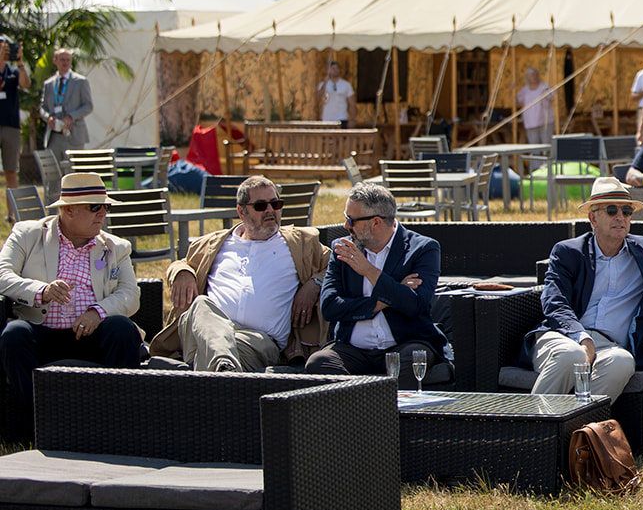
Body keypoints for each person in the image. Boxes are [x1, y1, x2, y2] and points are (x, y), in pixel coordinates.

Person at [517, 177, 643, 401]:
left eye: (627, 211)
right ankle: (535, 422)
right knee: (572, 356)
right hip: (564, 336)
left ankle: (581, 423)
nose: (620, 217)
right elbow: (554, 303)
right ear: (593, 218)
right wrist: (582, 338)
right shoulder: (568, 252)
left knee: (623, 362)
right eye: (612, 210)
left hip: (610, 347)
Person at [0, 173, 141, 421]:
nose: (103, 213)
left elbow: (130, 294)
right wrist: (40, 291)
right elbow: (3, 274)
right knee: (14, 335)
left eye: (105, 207)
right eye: (95, 207)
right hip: (41, 331)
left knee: (122, 328)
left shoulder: (116, 247)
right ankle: (36, 424)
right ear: (68, 210)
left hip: (91, 335)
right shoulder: (27, 234)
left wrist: (98, 312)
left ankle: (121, 420)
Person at [150, 176, 328, 371]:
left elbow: (335, 264)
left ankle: (220, 370)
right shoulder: (214, 244)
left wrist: (315, 283)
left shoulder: (300, 243)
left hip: (258, 342)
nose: (270, 210)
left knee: (208, 351)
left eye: (275, 204)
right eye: (261, 206)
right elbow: (182, 263)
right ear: (241, 212)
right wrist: (182, 271)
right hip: (204, 332)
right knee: (201, 305)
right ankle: (225, 371)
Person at [304, 182, 446, 377]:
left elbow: (415, 305)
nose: (346, 226)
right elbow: (329, 307)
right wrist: (385, 299)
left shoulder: (422, 249)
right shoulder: (343, 250)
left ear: (376, 222)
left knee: (413, 359)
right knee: (319, 362)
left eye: (351, 220)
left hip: (404, 344)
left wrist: (368, 270)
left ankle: (376, 398)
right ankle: (360, 398)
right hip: (353, 351)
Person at [38, 47, 91, 158]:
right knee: (54, 167)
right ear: (55, 61)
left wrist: (71, 116)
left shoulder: (80, 81)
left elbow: (88, 106)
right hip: (54, 135)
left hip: (74, 134)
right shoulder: (49, 84)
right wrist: (48, 117)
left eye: (68, 60)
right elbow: (43, 107)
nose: (65, 63)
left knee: (74, 167)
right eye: (62, 60)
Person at [0, 37, 31, 219]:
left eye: (5, 48)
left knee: (11, 171)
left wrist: (19, 62)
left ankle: (12, 214)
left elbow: (25, 84)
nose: (3, 51)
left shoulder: (12, 71)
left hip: (11, 127)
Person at [516, 67, 555, 146]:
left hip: (545, 121)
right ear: (527, 77)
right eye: (532, 75)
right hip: (531, 122)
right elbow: (517, 102)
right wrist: (512, 91)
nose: (534, 77)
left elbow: (552, 97)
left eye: (536, 74)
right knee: (534, 146)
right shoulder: (525, 90)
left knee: (547, 145)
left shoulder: (545, 86)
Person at [317, 60, 355, 127]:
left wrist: (352, 119)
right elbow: (318, 98)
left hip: (341, 118)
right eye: (333, 68)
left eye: (337, 68)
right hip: (327, 119)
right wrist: (325, 83)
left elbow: (352, 103)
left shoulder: (346, 85)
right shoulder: (322, 84)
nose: (335, 70)